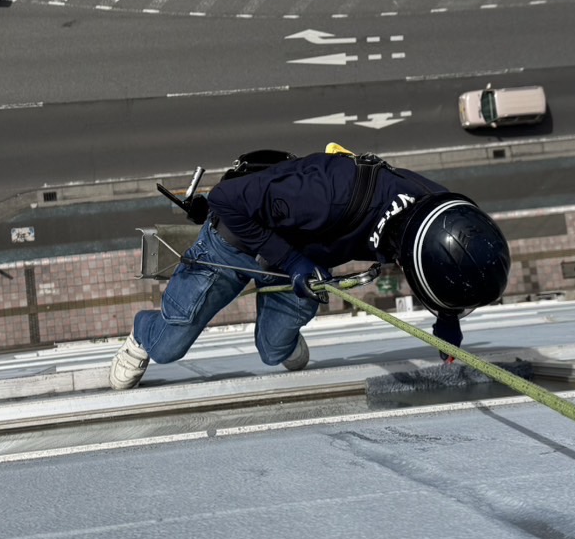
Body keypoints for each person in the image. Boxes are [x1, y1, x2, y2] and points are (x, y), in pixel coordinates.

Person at [110, 147, 511, 390]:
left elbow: (451, 260)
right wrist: (291, 260)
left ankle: (278, 338)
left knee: (273, 352)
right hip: (238, 241)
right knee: (169, 348)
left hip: (305, 261)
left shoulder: (441, 212)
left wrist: (447, 319)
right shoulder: (330, 193)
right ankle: (144, 334)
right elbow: (228, 198)